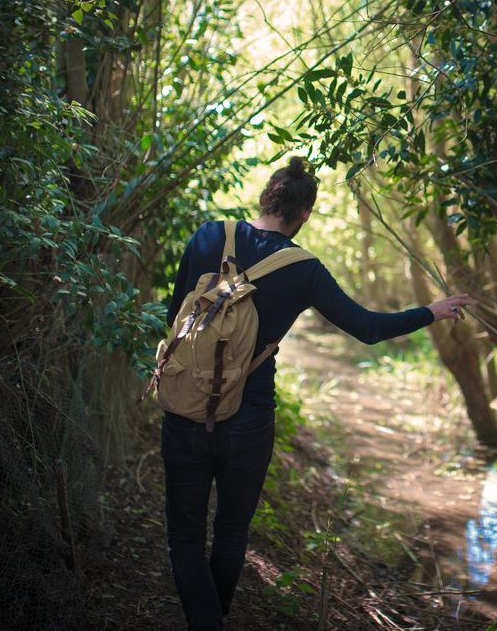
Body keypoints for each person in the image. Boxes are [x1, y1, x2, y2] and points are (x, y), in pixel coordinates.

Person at [160, 157, 471, 630]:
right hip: (249, 417)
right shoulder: (303, 269)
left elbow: (174, 315)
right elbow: (367, 328)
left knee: (184, 537)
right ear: (305, 213)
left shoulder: (208, 234)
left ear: (268, 195)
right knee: (231, 532)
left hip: (184, 407)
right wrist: (431, 311)